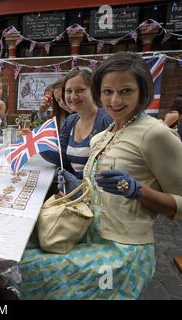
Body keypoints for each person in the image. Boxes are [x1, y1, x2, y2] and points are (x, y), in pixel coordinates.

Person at [11, 52, 182, 300]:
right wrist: (80, 186)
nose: (115, 100)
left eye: (126, 91)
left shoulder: (155, 134)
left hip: (123, 251)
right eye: (107, 91)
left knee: (25, 269)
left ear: (142, 91)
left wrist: (138, 191)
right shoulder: (104, 136)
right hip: (87, 233)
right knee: (18, 249)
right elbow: (100, 194)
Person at [41, 67, 113, 179]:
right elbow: (61, 157)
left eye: (80, 90)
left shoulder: (106, 120)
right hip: (77, 192)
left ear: (94, 91)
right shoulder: (71, 121)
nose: (73, 96)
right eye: (69, 91)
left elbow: (112, 169)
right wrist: (37, 143)